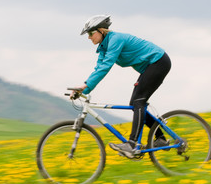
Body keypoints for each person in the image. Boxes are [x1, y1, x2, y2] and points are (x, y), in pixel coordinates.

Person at [72, 15, 171, 159]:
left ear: (101, 30)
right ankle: (160, 139)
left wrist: (85, 86)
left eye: (90, 33)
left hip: (158, 62)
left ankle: (132, 144)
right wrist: (84, 89)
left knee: (138, 102)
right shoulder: (104, 47)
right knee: (136, 103)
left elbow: (106, 66)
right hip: (150, 67)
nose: (89, 37)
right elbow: (99, 67)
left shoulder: (115, 39)